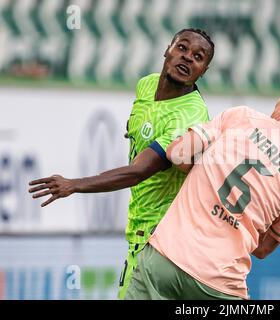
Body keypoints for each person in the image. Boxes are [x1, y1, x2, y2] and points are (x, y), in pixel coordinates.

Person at [28, 28, 215, 299]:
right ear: (168, 49)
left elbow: (138, 171)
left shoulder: (189, 115)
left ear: (204, 70)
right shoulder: (147, 85)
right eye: (182, 48)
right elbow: (142, 130)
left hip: (161, 235)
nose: (186, 58)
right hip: (143, 228)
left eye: (198, 57)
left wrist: (73, 185)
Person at [124, 75, 280, 300]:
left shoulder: (242, 117)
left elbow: (177, 154)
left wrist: (207, 170)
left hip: (166, 258)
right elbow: (263, 249)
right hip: (220, 284)